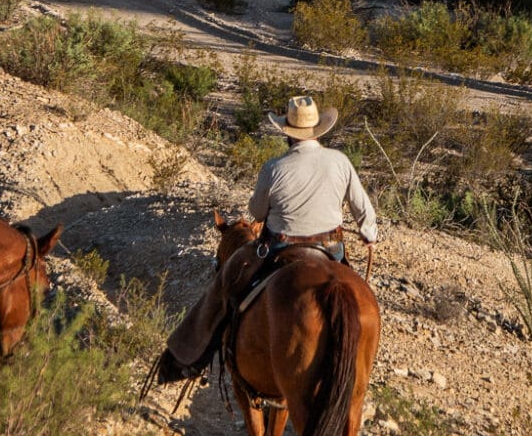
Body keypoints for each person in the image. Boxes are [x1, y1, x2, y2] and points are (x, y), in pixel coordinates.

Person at [152, 95, 378, 385]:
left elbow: (256, 212)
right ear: (319, 130)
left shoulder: (274, 167)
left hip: (279, 247)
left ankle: (187, 358)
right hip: (331, 249)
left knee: (224, 283)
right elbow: (364, 211)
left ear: (287, 133)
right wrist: (368, 234)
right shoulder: (341, 161)